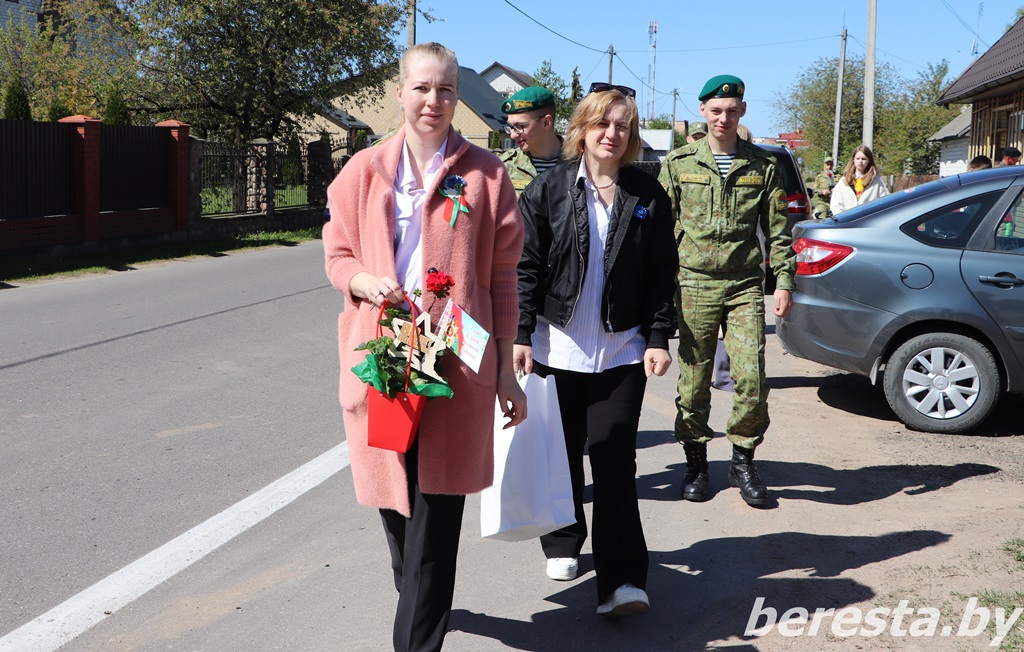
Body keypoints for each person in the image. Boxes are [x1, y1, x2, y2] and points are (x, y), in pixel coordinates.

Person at [322, 42, 526, 652]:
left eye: (444, 90)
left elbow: (503, 277)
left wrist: (510, 372)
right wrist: (363, 281)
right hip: (384, 354)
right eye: (421, 88)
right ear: (399, 91)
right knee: (396, 501)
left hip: (459, 356)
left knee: (436, 510)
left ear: (457, 96)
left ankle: (417, 634)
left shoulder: (488, 175)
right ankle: (418, 597)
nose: (432, 101)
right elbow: (337, 256)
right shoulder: (362, 171)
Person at [514, 82, 677, 618]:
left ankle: (623, 581)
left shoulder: (648, 195)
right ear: (581, 129)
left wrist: (657, 337)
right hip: (554, 348)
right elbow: (527, 267)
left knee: (614, 462)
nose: (612, 134)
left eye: (623, 126)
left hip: (622, 352)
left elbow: (660, 276)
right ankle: (563, 542)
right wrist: (519, 335)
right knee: (561, 457)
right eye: (602, 123)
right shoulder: (549, 190)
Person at [658, 74, 795, 508]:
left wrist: (784, 282)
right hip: (693, 283)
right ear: (702, 111)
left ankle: (742, 460)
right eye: (716, 110)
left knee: (751, 379)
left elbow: (779, 232)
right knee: (694, 383)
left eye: (732, 110)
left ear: (743, 111)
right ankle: (696, 463)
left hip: (743, 284)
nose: (723, 117)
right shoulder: (678, 165)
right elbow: (662, 231)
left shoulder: (763, 165)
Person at [499, 86, 563, 195]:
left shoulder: (579, 162)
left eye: (520, 126)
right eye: (510, 127)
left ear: (546, 122)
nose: (513, 135)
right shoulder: (505, 166)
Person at [830, 144, 889, 215]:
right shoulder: (844, 181)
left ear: (869, 161)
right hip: (847, 221)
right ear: (853, 160)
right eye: (858, 158)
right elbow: (836, 204)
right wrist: (841, 217)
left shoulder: (876, 181)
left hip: (868, 221)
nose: (860, 161)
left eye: (863, 159)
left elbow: (885, 202)